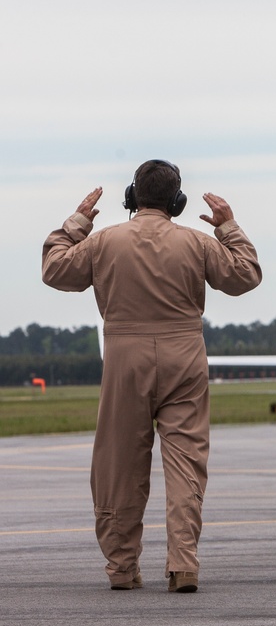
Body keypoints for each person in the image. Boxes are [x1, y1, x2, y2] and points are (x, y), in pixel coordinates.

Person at [41, 160, 262, 592]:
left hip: (125, 356)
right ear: (177, 201)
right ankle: (183, 564)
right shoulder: (196, 243)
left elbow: (55, 270)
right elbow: (245, 276)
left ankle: (122, 568)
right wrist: (229, 228)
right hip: (185, 355)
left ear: (131, 196)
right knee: (185, 464)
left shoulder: (105, 242)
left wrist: (77, 222)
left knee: (119, 463)